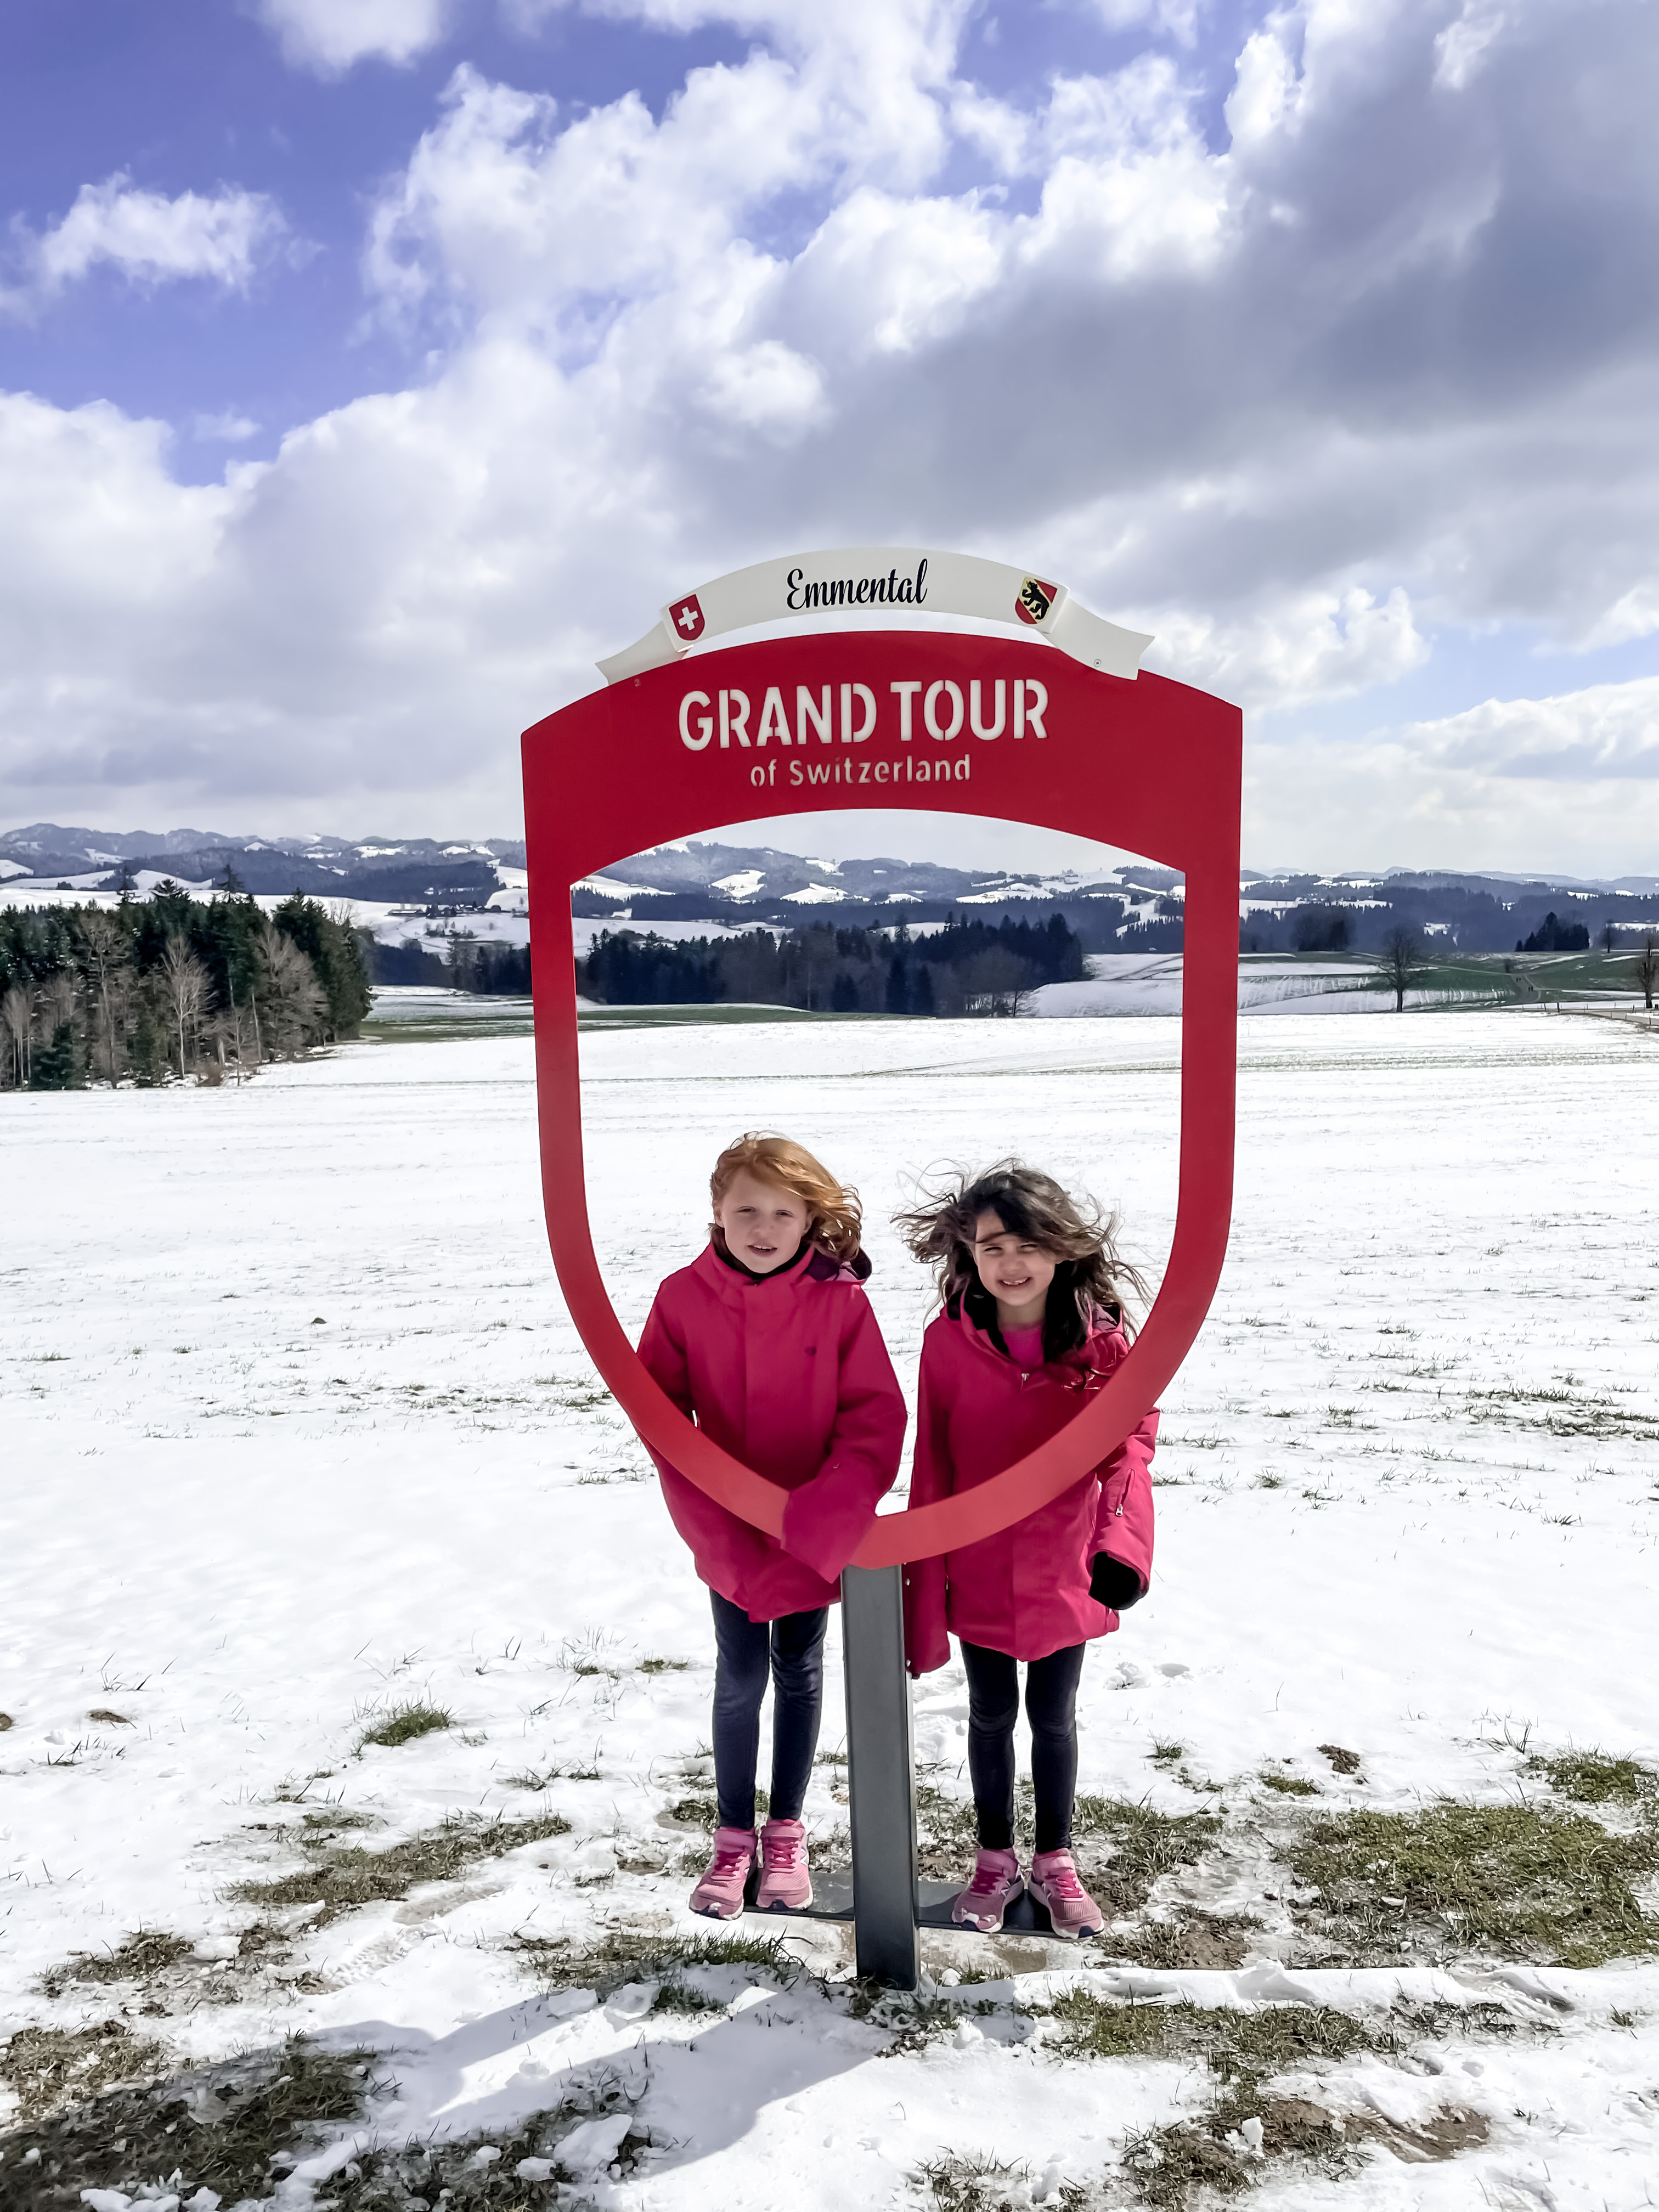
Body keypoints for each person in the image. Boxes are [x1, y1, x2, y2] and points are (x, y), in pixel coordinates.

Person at [639, 1132, 907, 1920]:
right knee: (740, 1677)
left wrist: (823, 1519)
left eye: (782, 1213)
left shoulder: (841, 1301)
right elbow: (663, 1422)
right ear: (716, 1215)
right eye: (745, 1210)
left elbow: (872, 1417)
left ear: (809, 1219)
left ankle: (785, 1832)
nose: (763, 1228)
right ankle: (732, 1840)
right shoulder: (681, 1297)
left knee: (798, 1671)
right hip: (727, 1533)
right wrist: (717, 1532)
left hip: (813, 1530)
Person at [895, 1163, 1156, 1939]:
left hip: (1065, 1568)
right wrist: (924, 1587)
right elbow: (932, 1461)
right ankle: (993, 1859)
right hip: (976, 1569)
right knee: (988, 1713)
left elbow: (1128, 1452)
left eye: (1028, 1245)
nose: (1012, 1264)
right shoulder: (948, 1343)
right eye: (992, 1247)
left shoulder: (1106, 1344)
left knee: (1053, 1716)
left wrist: (1122, 1549)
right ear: (969, 1256)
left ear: (1062, 1249)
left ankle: (1056, 1860)